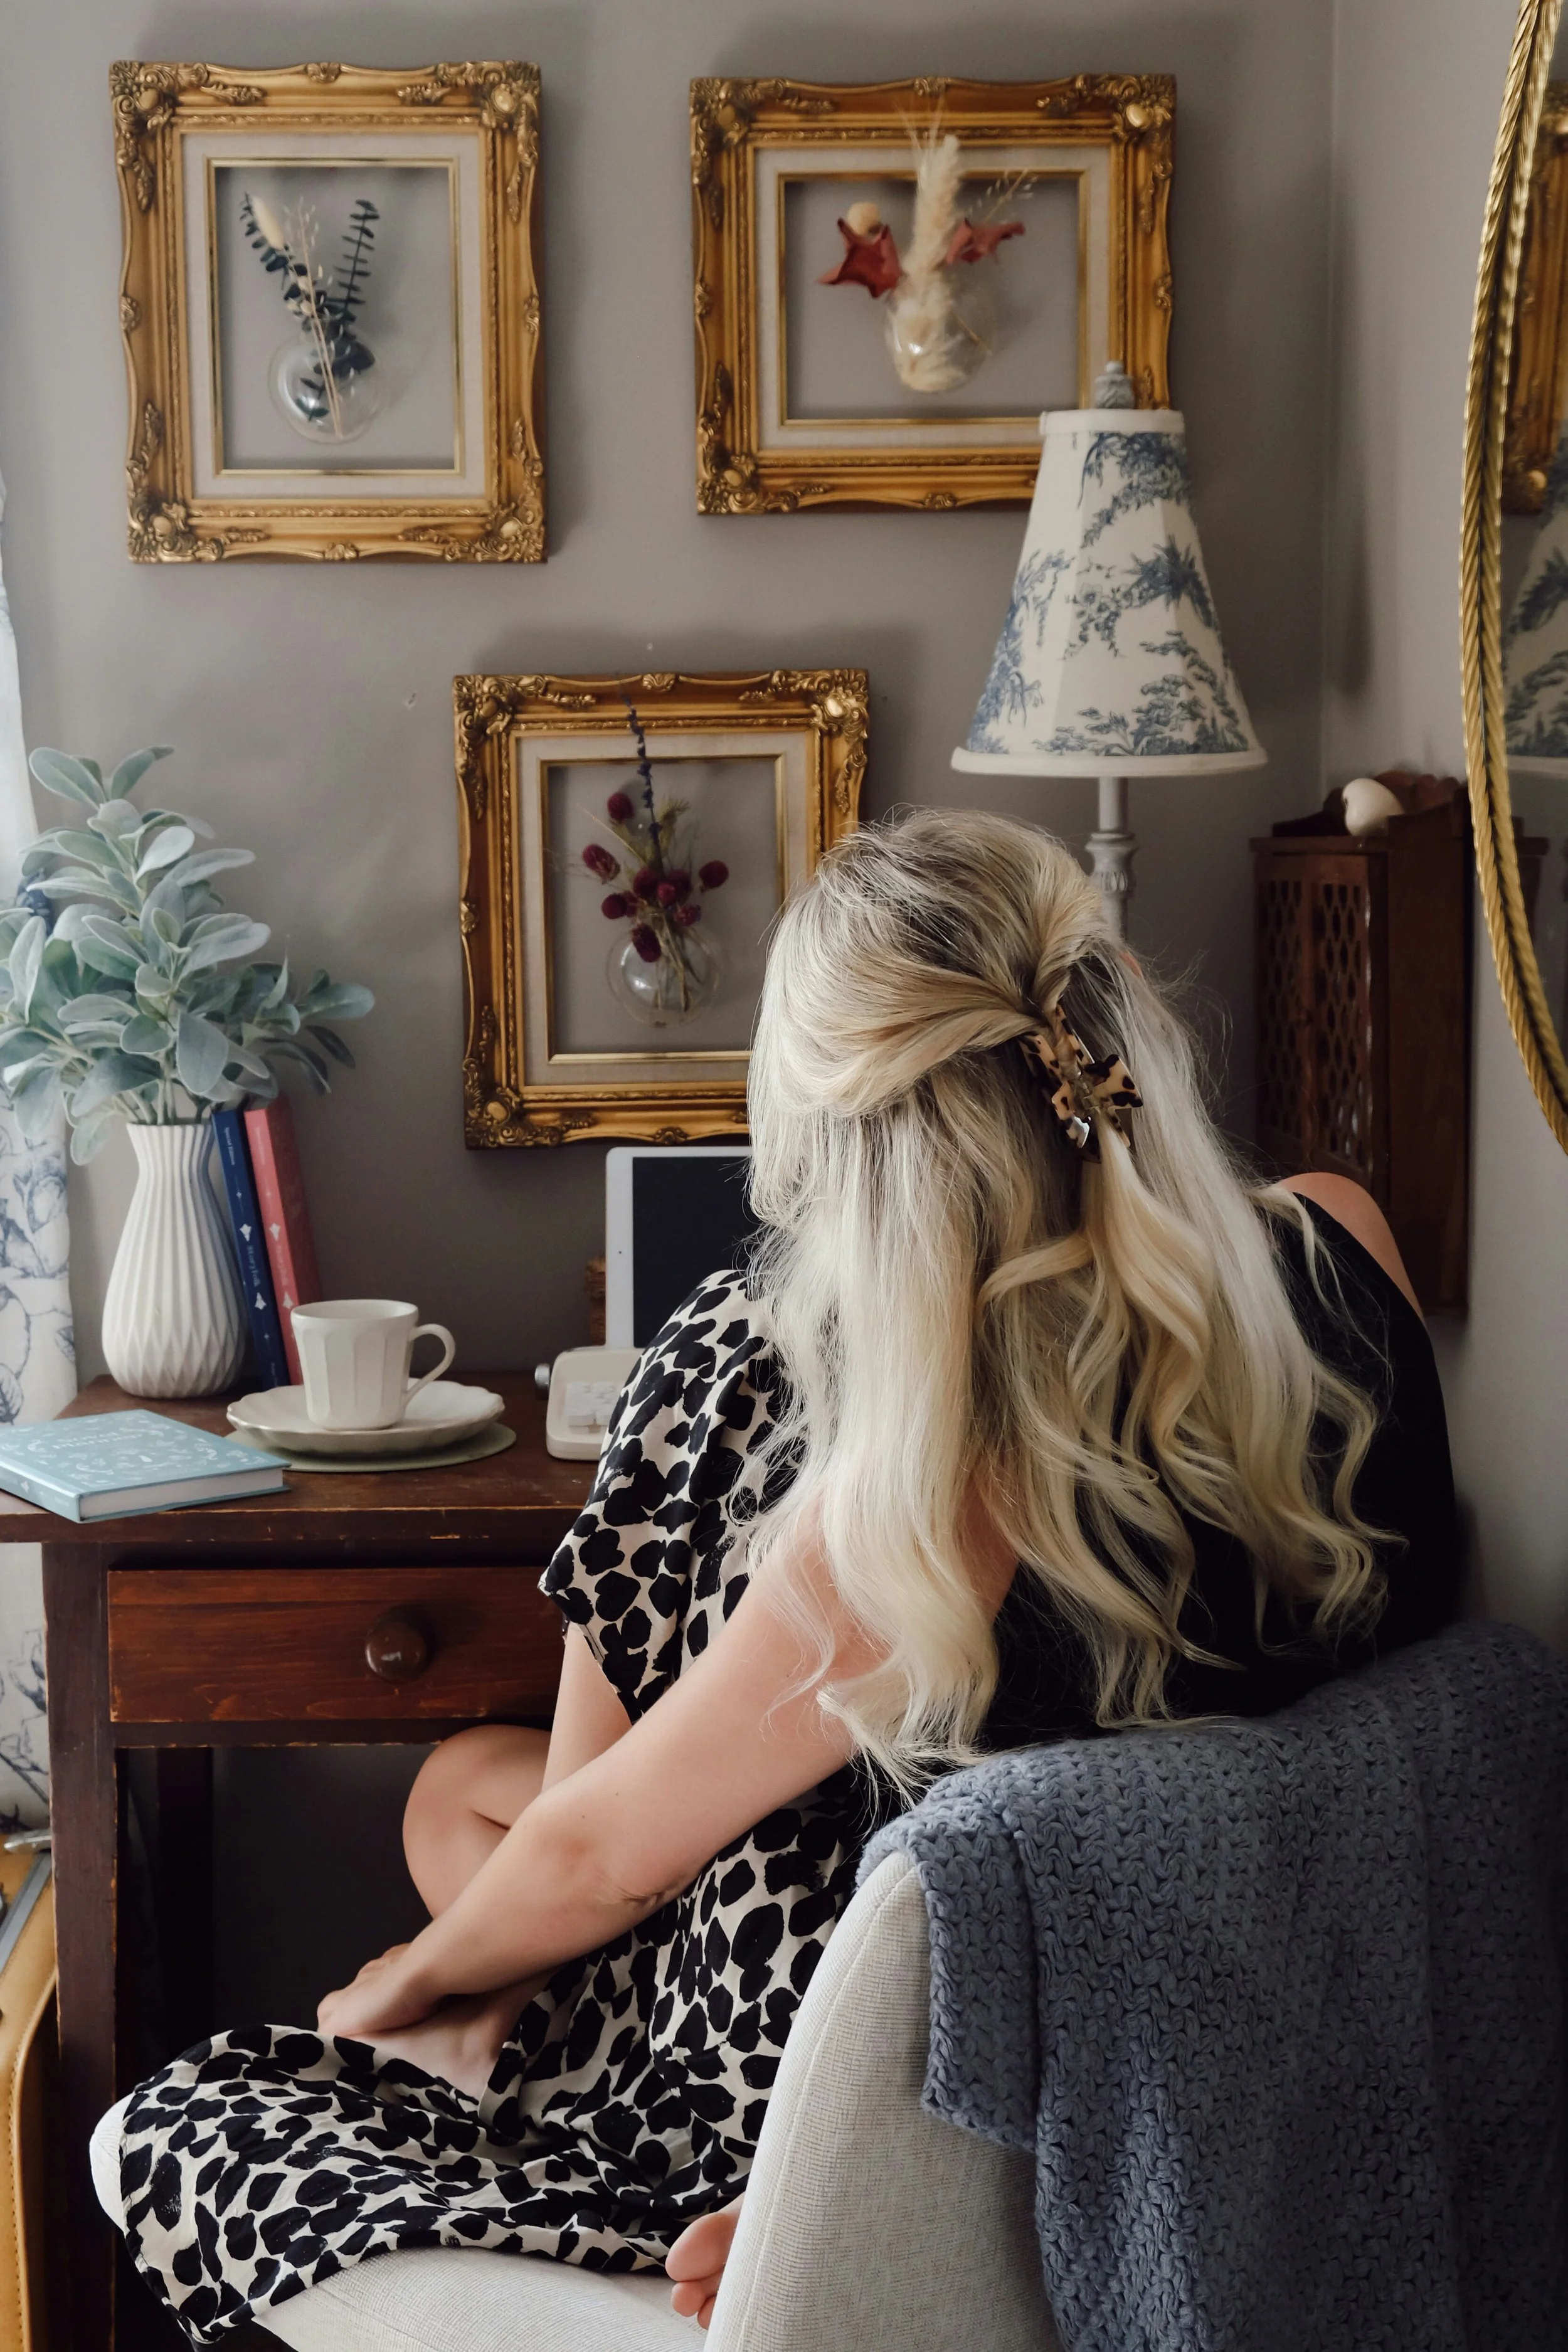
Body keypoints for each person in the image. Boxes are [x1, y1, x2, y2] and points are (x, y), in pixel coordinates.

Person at [100, 812, 1459, 2343]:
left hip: (941, 2063)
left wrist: (405, 1988)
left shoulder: (932, 1500)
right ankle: (521, 2012)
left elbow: (610, 1853)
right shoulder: (1342, 1241)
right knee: (471, 1797)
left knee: (197, 2116)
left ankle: (520, 2039)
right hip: (1229, 1990)